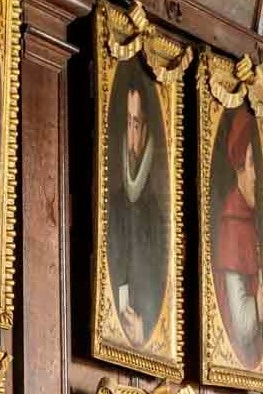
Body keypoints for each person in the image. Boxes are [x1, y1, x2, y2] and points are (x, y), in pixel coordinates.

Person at [106, 74, 166, 348]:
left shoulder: (154, 212)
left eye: (137, 124)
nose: (132, 134)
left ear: (146, 132)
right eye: (128, 124)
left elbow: (157, 281)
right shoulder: (115, 203)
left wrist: (145, 326)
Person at [211, 108, 263, 366]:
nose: (259, 177)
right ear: (240, 166)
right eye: (254, 164)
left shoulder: (257, 219)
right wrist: (257, 306)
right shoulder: (232, 223)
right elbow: (240, 326)